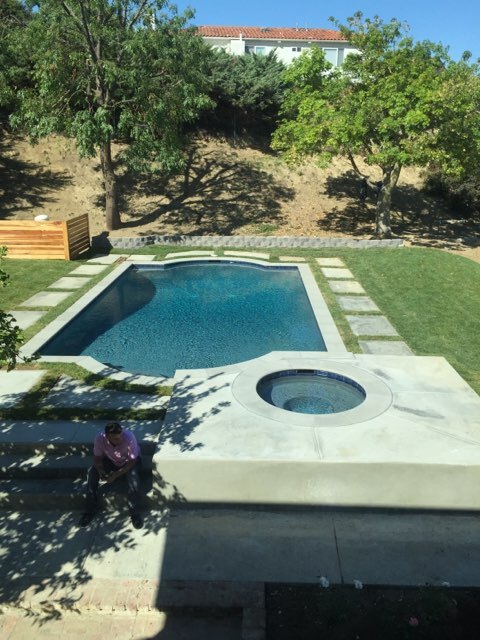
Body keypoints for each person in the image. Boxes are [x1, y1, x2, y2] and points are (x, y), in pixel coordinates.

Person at [79, 422, 143, 529]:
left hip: (130, 462)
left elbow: (133, 460)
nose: (120, 439)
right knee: (92, 473)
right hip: (112, 461)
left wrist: (116, 475)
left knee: (134, 480)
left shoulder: (129, 437)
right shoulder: (100, 438)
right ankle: (90, 510)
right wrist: (100, 471)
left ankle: (134, 513)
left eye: (120, 436)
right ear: (107, 437)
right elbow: (97, 458)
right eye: (116, 439)